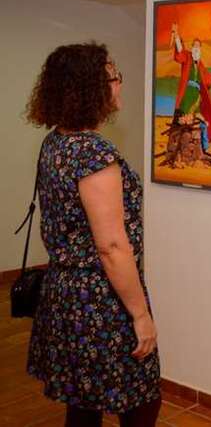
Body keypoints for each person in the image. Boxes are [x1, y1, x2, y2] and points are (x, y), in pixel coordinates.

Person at [25, 43, 161, 427]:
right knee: (141, 399)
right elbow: (112, 247)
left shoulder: (55, 141)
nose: (119, 84)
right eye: (114, 77)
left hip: (66, 294)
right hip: (101, 298)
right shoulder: (93, 154)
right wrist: (140, 315)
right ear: (90, 88)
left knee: (83, 400)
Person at [171, 22, 211, 153]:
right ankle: (179, 145)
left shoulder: (200, 65)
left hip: (197, 96)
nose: (196, 48)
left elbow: (207, 78)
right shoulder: (187, 57)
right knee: (185, 118)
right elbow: (180, 52)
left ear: (200, 49)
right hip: (187, 93)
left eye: (199, 46)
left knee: (202, 120)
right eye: (195, 46)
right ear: (192, 47)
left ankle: (205, 147)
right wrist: (176, 36)